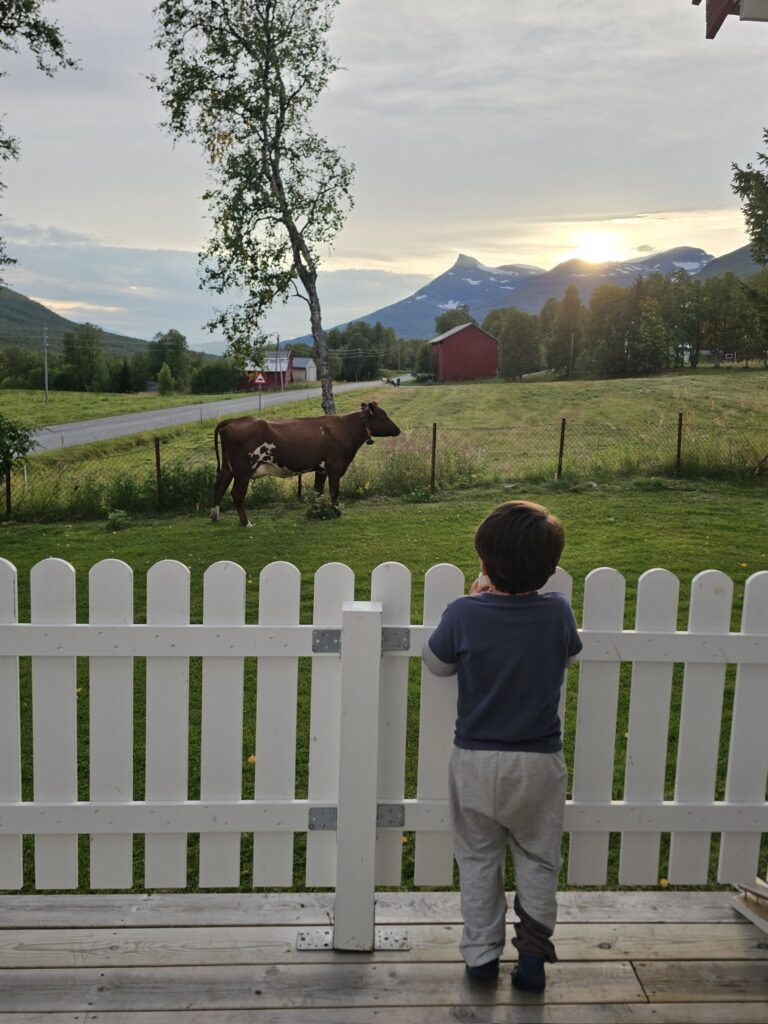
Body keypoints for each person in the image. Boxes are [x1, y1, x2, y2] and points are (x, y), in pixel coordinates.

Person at [421, 500, 582, 992]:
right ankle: (532, 958)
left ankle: (482, 958)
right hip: (538, 762)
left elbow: (437, 663)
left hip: (476, 760)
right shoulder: (557, 611)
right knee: (538, 859)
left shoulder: (465, 612)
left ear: (485, 566)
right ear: (551, 570)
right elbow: (568, 653)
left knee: (478, 859)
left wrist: (476, 598)